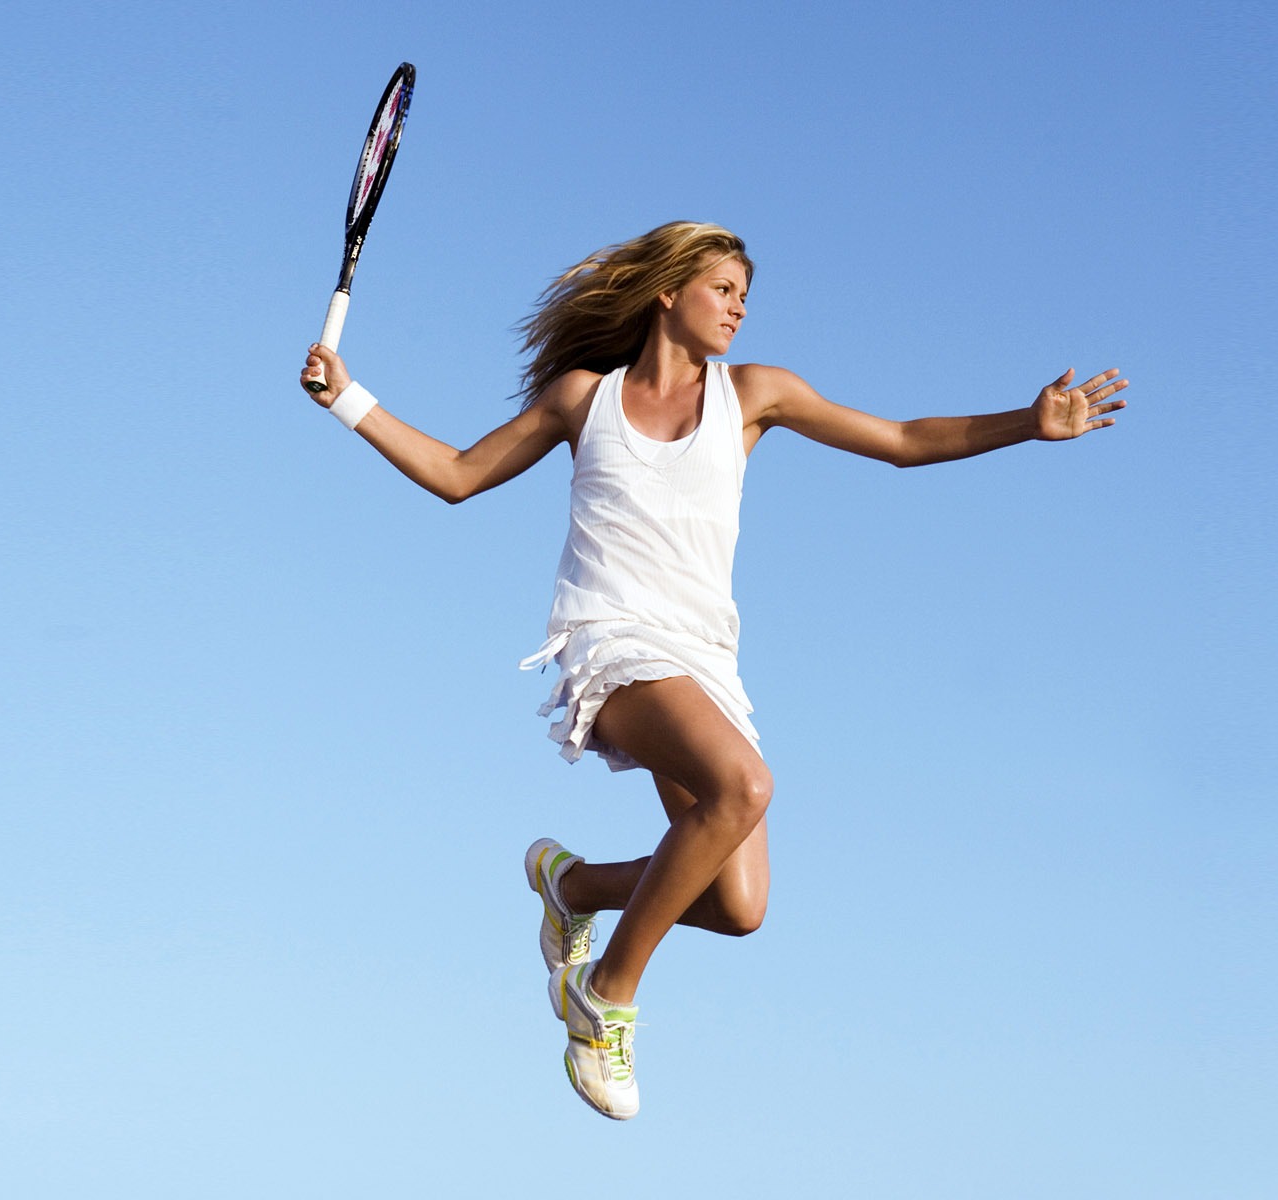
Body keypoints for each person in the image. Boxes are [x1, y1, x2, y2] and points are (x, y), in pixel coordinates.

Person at [298, 221, 1129, 1120]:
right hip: (611, 645)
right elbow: (458, 474)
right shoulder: (584, 398)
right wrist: (351, 400)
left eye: (744, 295)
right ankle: (603, 997)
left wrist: (1028, 424)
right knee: (746, 785)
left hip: (702, 664)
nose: (738, 306)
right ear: (668, 292)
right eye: (722, 287)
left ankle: (572, 885)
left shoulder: (757, 393)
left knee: (738, 906)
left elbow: (897, 438)